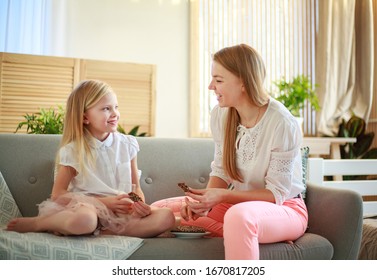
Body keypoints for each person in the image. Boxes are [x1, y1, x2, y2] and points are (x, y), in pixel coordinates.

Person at [152, 44, 308, 259]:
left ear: (243, 81)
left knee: (238, 217)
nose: (210, 86)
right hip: (238, 206)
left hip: (284, 208)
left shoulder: (281, 122)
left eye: (218, 80)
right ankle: (256, 234)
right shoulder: (221, 115)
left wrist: (222, 196)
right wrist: (203, 204)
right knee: (160, 210)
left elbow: (276, 194)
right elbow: (221, 171)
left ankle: (257, 230)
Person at [7, 79, 175, 238]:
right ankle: (40, 223)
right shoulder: (74, 150)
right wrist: (105, 203)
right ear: (84, 117)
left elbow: (136, 188)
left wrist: (139, 205)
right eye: (106, 109)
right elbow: (58, 195)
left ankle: (100, 232)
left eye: (116, 107)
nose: (115, 113)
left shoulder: (128, 144)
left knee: (166, 217)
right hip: (87, 207)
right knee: (86, 220)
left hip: (121, 214)